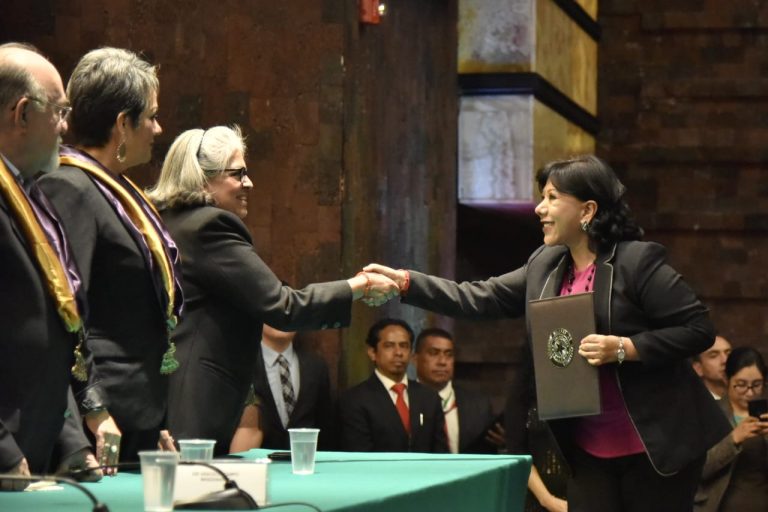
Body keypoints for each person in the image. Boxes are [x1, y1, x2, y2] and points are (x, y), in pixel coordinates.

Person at [365, 155, 730, 511]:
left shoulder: (637, 262)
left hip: (656, 447)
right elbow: (477, 296)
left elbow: (698, 329)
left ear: (587, 211)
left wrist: (625, 348)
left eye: (552, 198)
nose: (540, 208)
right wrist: (407, 284)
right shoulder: (545, 264)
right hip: (589, 451)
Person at [147, 125, 398, 456]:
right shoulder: (210, 226)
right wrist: (359, 286)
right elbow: (283, 306)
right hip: (198, 402)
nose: (249, 183)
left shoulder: (165, 221)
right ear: (204, 178)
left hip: (165, 394)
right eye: (238, 174)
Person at [38, 47, 182, 463]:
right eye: (151, 116)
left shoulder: (114, 190)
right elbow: (67, 315)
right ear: (123, 124)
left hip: (136, 413)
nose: (158, 128)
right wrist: (93, 409)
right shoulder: (71, 188)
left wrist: (153, 422)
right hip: (101, 420)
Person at [0, 42, 98, 488]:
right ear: (21, 114)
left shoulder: (30, 195)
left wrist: (71, 441)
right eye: (58, 111)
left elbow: (53, 333)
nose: (65, 126)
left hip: (35, 452)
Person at [414, 328, 566, 511]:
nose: (442, 362)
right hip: (421, 493)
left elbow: (495, 451)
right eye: (434, 353)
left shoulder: (478, 404)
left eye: (448, 354)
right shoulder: (407, 400)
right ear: (415, 358)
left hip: (471, 495)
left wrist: (503, 443)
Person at [338, 318, 448, 453]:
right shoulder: (354, 400)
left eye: (404, 346)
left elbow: (440, 453)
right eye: (389, 346)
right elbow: (358, 454)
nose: (398, 353)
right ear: (372, 352)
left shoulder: (429, 398)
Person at [694, 347, 768, 512]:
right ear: (727, 380)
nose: (750, 393)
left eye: (757, 385)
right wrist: (733, 439)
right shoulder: (711, 413)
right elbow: (699, 469)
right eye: (741, 385)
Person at [248, 324, 333, 451]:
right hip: (257, 464)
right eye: (275, 310)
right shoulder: (243, 364)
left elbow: (325, 426)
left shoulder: (316, 366)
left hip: (305, 462)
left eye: (289, 310)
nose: (282, 319)